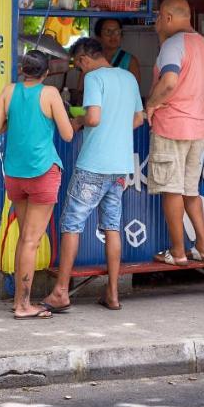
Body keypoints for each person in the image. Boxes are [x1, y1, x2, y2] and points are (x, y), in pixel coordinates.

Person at [42, 37, 145, 312]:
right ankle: (112, 293)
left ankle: (61, 292)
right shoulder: (128, 78)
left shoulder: (94, 79)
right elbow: (138, 119)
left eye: (78, 65)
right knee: (112, 226)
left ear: (85, 59)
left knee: (72, 224)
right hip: (120, 165)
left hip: (95, 164)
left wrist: (76, 121)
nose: (80, 70)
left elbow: (94, 117)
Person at [0, 51, 74, 318]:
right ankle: (24, 305)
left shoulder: (9, 91)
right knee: (30, 240)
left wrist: (13, 125)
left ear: (22, 70)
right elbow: (68, 134)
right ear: (46, 72)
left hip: (14, 174)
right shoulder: (49, 94)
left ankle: (19, 301)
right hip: (42, 173)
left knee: (25, 238)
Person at [144, 0, 204, 265]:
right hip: (197, 127)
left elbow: (170, 81)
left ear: (169, 18)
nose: (157, 23)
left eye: (159, 17)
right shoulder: (203, 44)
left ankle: (177, 252)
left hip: (171, 126)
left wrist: (151, 104)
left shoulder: (173, 44)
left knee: (171, 191)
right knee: (190, 191)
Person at [93, 18, 143, 89]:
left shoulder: (131, 61)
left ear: (121, 36)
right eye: (108, 31)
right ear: (99, 36)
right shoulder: (92, 59)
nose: (113, 36)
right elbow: (81, 90)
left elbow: (134, 90)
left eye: (117, 32)